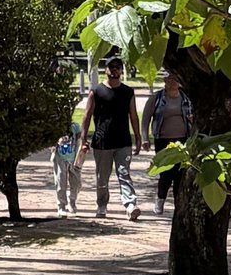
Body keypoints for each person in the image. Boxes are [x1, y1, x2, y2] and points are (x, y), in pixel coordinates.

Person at [86, 55, 139, 219]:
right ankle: (102, 205)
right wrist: (82, 139)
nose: (114, 70)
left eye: (117, 67)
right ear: (106, 70)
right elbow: (86, 116)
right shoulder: (97, 92)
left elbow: (134, 116)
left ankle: (130, 205)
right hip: (102, 142)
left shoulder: (128, 92)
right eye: (111, 67)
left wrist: (138, 137)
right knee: (102, 178)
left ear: (122, 71)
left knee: (124, 174)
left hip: (123, 141)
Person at [142, 67, 193, 213]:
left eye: (176, 79)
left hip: (182, 139)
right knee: (166, 172)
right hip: (163, 140)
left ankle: (179, 204)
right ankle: (160, 199)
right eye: (170, 79)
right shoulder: (156, 98)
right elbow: (145, 119)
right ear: (164, 81)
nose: (173, 82)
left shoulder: (186, 98)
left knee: (180, 173)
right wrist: (145, 138)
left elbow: (194, 116)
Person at [52, 112, 84, 216]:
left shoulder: (75, 127)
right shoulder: (56, 128)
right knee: (61, 182)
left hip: (73, 158)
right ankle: (61, 206)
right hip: (60, 158)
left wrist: (80, 154)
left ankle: (72, 200)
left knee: (76, 183)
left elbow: (80, 141)